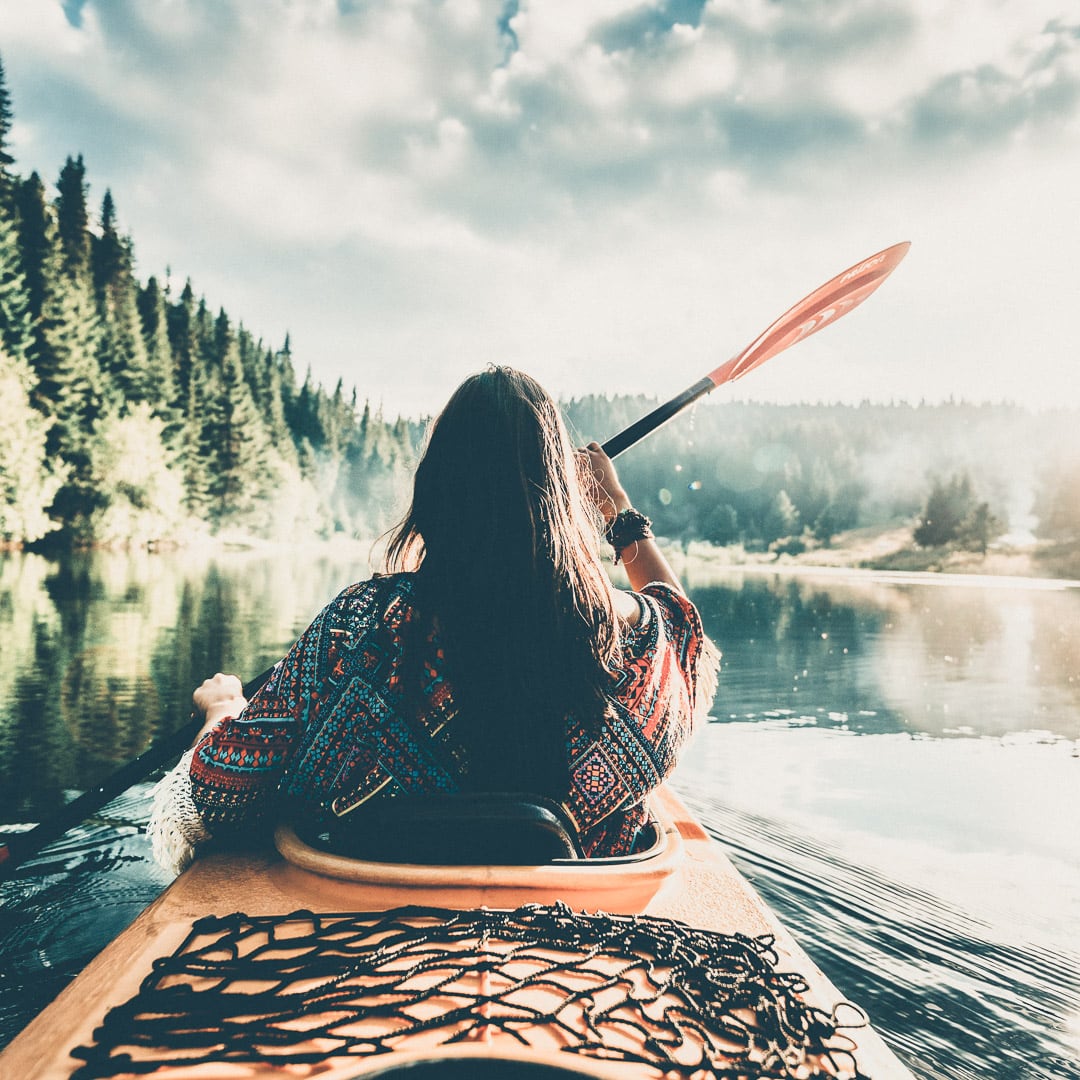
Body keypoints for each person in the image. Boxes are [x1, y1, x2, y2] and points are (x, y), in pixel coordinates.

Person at [149, 367, 719, 874]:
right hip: (577, 928)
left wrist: (224, 709)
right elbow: (685, 630)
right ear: (565, 498)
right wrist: (617, 510)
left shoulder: (357, 628)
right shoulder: (635, 641)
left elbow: (214, 797)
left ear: (435, 491)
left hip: (372, 930)